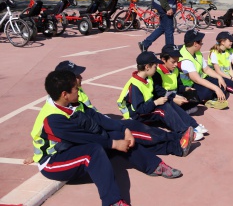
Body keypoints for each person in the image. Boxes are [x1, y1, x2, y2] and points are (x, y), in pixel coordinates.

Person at [30, 70, 184, 206]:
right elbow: (84, 138)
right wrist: (114, 144)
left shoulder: (73, 104)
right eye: (76, 88)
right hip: (54, 162)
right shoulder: (52, 118)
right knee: (93, 151)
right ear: (64, 94)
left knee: (119, 134)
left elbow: (98, 118)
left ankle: (153, 165)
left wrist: (124, 129)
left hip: (73, 148)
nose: (79, 90)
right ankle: (112, 201)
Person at [117, 51, 208, 141]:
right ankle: (185, 132)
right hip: (135, 116)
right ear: (147, 67)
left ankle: (193, 125)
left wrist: (172, 97)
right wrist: (156, 102)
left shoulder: (148, 78)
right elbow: (140, 109)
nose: (156, 69)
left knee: (167, 101)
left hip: (147, 107)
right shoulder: (135, 85)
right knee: (162, 110)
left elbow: (159, 92)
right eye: (155, 66)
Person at [178, 29, 229, 110]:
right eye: (201, 42)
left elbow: (207, 69)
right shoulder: (185, 59)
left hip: (196, 82)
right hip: (187, 87)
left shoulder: (196, 52)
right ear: (195, 44)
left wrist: (219, 77)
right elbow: (197, 79)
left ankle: (210, 99)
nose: (202, 44)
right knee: (208, 91)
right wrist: (216, 89)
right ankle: (206, 100)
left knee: (220, 84)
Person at [152, 44, 204, 116]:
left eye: (177, 61)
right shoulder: (157, 72)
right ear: (164, 60)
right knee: (167, 106)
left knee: (196, 96)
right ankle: (180, 112)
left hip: (175, 95)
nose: (176, 64)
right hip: (165, 98)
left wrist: (186, 88)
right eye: (173, 62)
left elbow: (179, 86)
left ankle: (180, 111)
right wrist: (173, 99)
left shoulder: (176, 70)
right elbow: (158, 93)